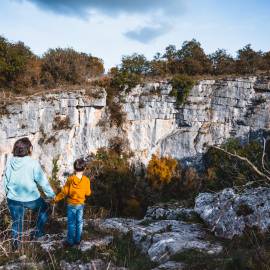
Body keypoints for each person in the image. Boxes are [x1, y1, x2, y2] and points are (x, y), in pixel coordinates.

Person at [3, 137, 55, 250]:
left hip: (13, 198)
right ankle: (37, 232)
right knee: (46, 208)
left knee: (17, 222)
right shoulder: (32, 163)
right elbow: (43, 182)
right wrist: (51, 195)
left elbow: (5, 181)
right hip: (31, 199)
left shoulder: (10, 162)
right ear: (28, 149)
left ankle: (15, 247)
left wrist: (7, 195)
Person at [52, 158, 91, 247]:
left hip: (71, 204)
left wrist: (55, 199)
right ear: (84, 169)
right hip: (80, 204)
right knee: (79, 222)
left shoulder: (70, 179)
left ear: (74, 169)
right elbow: (88, 193)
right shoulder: (86, 180)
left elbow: (64, 192)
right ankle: (77, 240)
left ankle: (70, 241)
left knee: (71, 223)